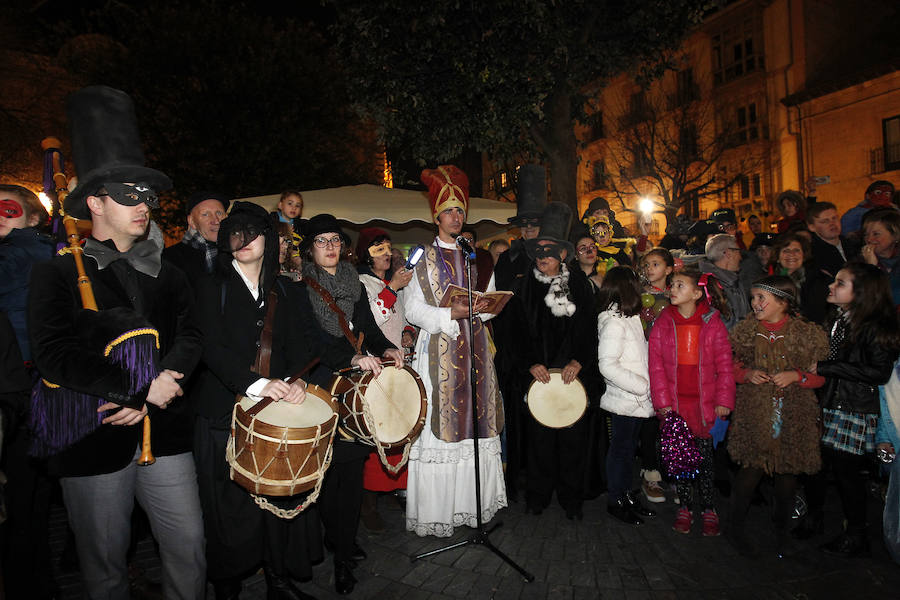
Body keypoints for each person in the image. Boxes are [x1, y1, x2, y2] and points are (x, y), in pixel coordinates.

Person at [27, 86, 205, 600]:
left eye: (147, 196)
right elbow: (54, 354)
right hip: (94, 435)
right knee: (104, 566)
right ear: (96, 202)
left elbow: (191, 334)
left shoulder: (169, 272)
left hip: (165, 434)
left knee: (189, 548)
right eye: (129, 195)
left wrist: (163, 383)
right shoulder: (58, 272)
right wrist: (134, 390)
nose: (144, 205)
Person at [192, 202, 360, 599]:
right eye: (237, 233)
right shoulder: (210, 286)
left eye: (254, 232)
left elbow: (301, 346)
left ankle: (277, 581)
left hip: (276, 410)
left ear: (269, 240)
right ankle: (227, 587)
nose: (246, 240)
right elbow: (209, 346)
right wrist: (255, 383)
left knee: (276, 502)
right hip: (223, 414)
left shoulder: (284, 289)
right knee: (228, 510)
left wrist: (296, 381)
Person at [402, 165, 506, 537]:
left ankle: (473, 508)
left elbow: (488, 300)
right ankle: (441, 512)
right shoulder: (422, 257)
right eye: (449, 211)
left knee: (477, 427)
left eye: (460, 211)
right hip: (439, 349)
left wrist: (486, 306)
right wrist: (449, 314)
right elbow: (412, 309)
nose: (456, 217)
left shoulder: (476, 257)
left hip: (476, 349)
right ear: (436, 216)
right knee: (442, 426)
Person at [300, 213, 402, 594]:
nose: (329, 246)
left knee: (352, 471)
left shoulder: (353, 282)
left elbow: (367, 328)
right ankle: (339, 545)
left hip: (354, 390)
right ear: (310, 249)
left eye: (335, 240)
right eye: (321, 240)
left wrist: (386, 347)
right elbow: (312, 342)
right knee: (330, 476)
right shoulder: (299, 286)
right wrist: (353, 357)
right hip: (322, 386)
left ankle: (343, 545)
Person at [507, 202, 599, 520]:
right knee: (540, 443)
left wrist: (579, 361)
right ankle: (538, 496)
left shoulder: (580, 286)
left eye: (549, 250)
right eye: (538, 250)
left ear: (562, 253)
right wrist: (530, 363)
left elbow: (589, 329)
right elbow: (514, 333)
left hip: (573, 379)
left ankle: (572, 499)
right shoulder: (523, 288)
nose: (542, 256)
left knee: (573, 442)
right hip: (539, 379)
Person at [727, 276, 828, 557]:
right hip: (756, 414)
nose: (755, 303)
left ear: (783, 302)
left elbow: (820, 378)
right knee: (750, 472)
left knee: (787, 477)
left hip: (793, 415)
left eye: (762, 298)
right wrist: (746, 374)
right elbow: (730, 368)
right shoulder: (746, 332)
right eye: (753, 297)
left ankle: (782, 533)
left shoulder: (806, 335)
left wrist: (797, 376)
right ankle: (734, 528)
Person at [807, 263, 900, 557]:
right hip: (833, 401)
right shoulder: (840, 318)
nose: (831, 287)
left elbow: (878, 372)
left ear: (861, 292)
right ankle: (816, 518)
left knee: (846, 473)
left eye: (840, 283)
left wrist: (827, 367)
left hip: (855, 407)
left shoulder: (875, 327)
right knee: (820, 464)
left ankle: (857, 535)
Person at [648, 268, 735, 536]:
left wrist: (723, 399)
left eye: (680, 285)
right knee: (681, 461)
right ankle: (685, 506)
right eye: (672, 285)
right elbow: (656, 366)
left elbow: (725, 365)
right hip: (676, 407)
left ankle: (708, 507)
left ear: (697, 293)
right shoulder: (664, 321)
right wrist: (663, 402)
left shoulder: (712, 322)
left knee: (706, 461)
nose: (672, 289)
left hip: (704, 405)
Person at [0, 184, 54, 598]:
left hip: (18, 389)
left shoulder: (21, 251)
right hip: (29, 386)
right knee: (32, 495)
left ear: (33, 217)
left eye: (8, 209)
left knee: (23, 496)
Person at [355, 227, 414, 533]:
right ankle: (367, 502)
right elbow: (370, 322)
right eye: (379, 248)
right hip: (374, 368)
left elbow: (400, 319)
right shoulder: (361, 283)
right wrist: (392, 287)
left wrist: (408, 333)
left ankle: (391, 489)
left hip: (398, 365)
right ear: (366, 254)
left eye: (389, 248)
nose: (387, 253)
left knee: (398, 430)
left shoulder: (389, 282)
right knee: (375, 433)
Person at [493, 164, 545, 500]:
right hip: (513, 354)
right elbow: (500, 306)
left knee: (542, 415)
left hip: (543, 352)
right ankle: (515, 477)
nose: (528, 229)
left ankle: (540, 475)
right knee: (514, 417)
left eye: (534, 224)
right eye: (524, 224)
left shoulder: (551, 257)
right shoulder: (507, 259)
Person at [596, 267, 657, 525]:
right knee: (621, 450)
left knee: (629, 449)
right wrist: (641, 386)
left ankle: (625, 494)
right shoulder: (614, 321)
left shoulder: (628, 317)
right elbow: (607, 365)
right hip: (627, 398)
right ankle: (616, 499)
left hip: (637, 400)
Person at [637, 248, 674, 503]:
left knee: (672, 417)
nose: (650, 269)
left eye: (656, 264)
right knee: (649, 418)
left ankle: (674, 471)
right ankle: (650, 471)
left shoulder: (678, 295)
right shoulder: (639, 296)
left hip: (673, 364)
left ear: (669, 269)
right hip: (646, 362)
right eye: (647, 264)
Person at [162, 191, 229, 285]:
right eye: (205, 214)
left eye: (219, 213)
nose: (215, 221)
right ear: (191, 221)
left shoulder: (239, 254)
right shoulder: (169, 259)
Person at [771, 233, 830, 324]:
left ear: (804, 256)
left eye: (796, 250)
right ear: (778, 257)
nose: (791, 254)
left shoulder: (819, 280)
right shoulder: (769, 282)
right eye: (786, 251)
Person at [875, 359, 900, 564]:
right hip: (897, 448)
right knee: (893, 527)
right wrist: (883, 439)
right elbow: (887, 406)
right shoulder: (891, 364)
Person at [699, 234, 749, 330]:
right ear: (728, 253)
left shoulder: (733, 280)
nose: (740, 257)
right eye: (738, 251)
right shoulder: (707, 285)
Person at [806, 202, 859, 280]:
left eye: (834, 218)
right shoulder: (811, 255)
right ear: (812, 227)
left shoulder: (854, 244)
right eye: (825, 221)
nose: (832, 224)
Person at [860, 208, 900, 305]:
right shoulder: (858, 264)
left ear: (895, 236)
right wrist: (871, 267)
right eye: (866, 235)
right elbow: (869, 298)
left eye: (876, 234)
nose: (869, 239)